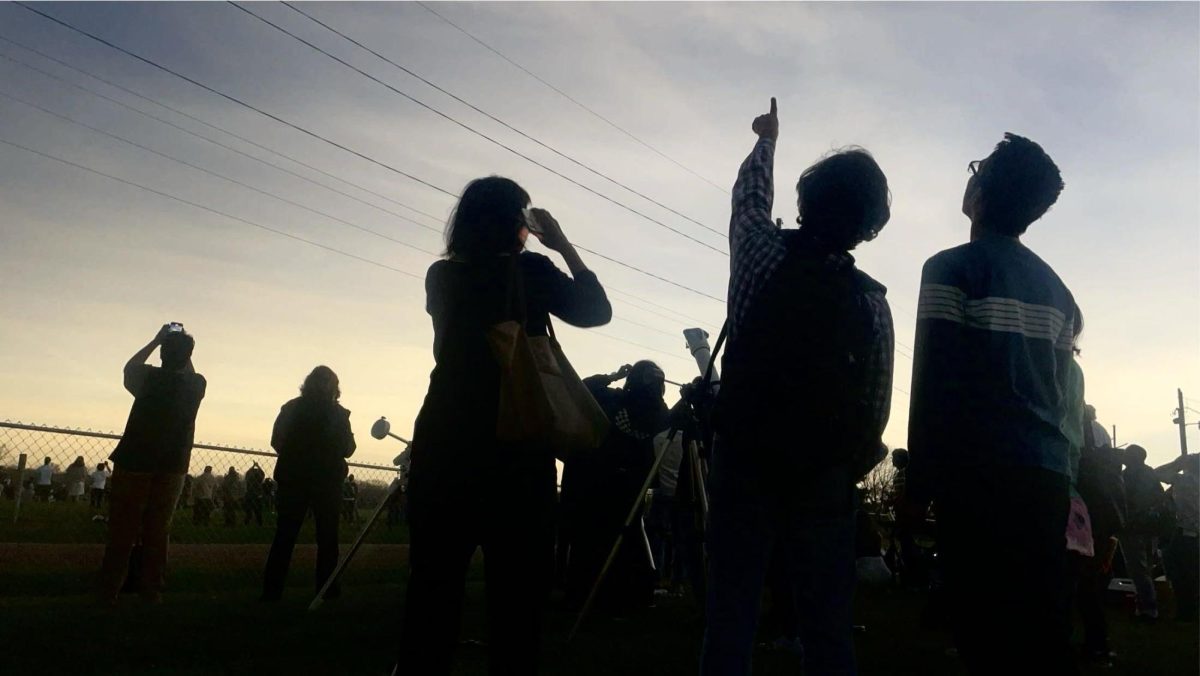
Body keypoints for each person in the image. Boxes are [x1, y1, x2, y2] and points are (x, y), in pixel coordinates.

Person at [702, 98, 894, 676]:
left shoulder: (761, 253)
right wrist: (848, 462)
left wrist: (767, 140)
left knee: (730, 613)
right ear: (868, 223)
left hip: (743, 454)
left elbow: (749, 198)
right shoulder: (871, 300)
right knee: (826, 621)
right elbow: (876, 402)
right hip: (823, 473)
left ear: (806, 203)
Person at [399, 176, 611, 674]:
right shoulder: (533, 271)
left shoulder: (441, 277)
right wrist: (561, 245)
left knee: (431, 593)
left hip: (444, 441)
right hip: (516, 446)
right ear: (519, 224)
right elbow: (596, 311)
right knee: (516, 606)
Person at [905, 133, 1076, 674]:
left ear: (978, 193)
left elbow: (935, 378)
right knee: (1035, 629)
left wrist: (919, 483)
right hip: (1046, 477)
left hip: (977, 472)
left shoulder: (951, 268)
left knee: (980, 628)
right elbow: (1065, 398)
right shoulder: (1059, 290)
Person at [99, 324, 206, 605]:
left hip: (136, 459)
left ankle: (109, 590)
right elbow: (188, 372)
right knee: (158, 530)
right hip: (173, 464)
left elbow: (130, 366)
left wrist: (156, 340)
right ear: (188, 356)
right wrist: (181, 349)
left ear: (162, 354)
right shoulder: (196, 385)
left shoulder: (147, 378)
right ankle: (151, 590)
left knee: (123, 527)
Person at [562, 361, 670, 613]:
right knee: (614, 543)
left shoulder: (616, 400)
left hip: (607, 488)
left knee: (600, 544)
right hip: (613, 488)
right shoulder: (657, 412)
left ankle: (593, 598)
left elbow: (584, 386)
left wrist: (613, 376)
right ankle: (618, 599)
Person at [261, 366, 356, 602]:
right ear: (335, 389)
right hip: (327, 480)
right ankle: (327, 592)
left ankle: (271, 592)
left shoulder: (291, 408)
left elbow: (277, 440)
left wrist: (294, 457)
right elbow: (348, 449)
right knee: (327, 538)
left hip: (293, 477)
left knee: (285, 536)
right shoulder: (339, 414)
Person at [1122, 444, 1167, 622]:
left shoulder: (1127, 476)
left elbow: (1124, 500)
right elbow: (1160, 496)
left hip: (1133, 527)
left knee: (1137, 569)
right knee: (1146, 567)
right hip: (1151, 526)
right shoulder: (1151, 474)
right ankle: (1146, 604)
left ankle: (1148, 607)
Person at [1156, 453, 1199, 622]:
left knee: (1179, 573)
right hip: (1193, 533)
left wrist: (1175, 464)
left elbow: (1156, 473)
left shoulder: (1183, 480)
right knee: (1192, 574)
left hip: (1184, 532)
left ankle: (1185, 610)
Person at [244, 462, 265, 527]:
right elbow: (262, 473)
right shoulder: (259, 479)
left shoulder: (249, 479)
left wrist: (253, 466)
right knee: (257, 511)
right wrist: (258, 466)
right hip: (256, 495)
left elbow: (247, 473)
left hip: (251, 495)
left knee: (249, 511)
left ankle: (247, 523)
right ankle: (259, 523)